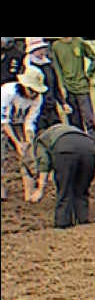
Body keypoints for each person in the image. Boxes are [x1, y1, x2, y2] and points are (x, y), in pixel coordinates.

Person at [28, 122, 95, 228]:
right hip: (90, 149)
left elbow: (44, 164)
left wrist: (40, 190)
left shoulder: (41, 139)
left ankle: (62, 223)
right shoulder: (70, 128)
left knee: (64, 190)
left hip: (65, 151)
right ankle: (82, 219)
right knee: (82, 190)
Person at [1, 66, 44, 200]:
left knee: (28, 155)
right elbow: (3, 120)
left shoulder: (37, 99)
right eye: (31, 90)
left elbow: (30, 121)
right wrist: (16, 142)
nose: (33, 94)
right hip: (4, 122)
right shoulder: (7, 92)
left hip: (18, 123)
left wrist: (27, 141)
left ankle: (29, 192)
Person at [51, 36, 95, 136]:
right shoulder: (56, 46)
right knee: (74, 119)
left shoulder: (79, 42)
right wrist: (61, 86)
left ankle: (94, 141)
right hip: (68, 87)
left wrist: (88, 75)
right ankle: (78, 142)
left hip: (82, 86)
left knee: (88, 117)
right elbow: (57, 68)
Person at [25, 38, 68, 132]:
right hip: (36, 108)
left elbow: (55, 85)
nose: (41, 52)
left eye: (42, 48)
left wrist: (62, 102)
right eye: (38, 49)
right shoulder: (27, 67)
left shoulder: (48, 65)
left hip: (51, 105)